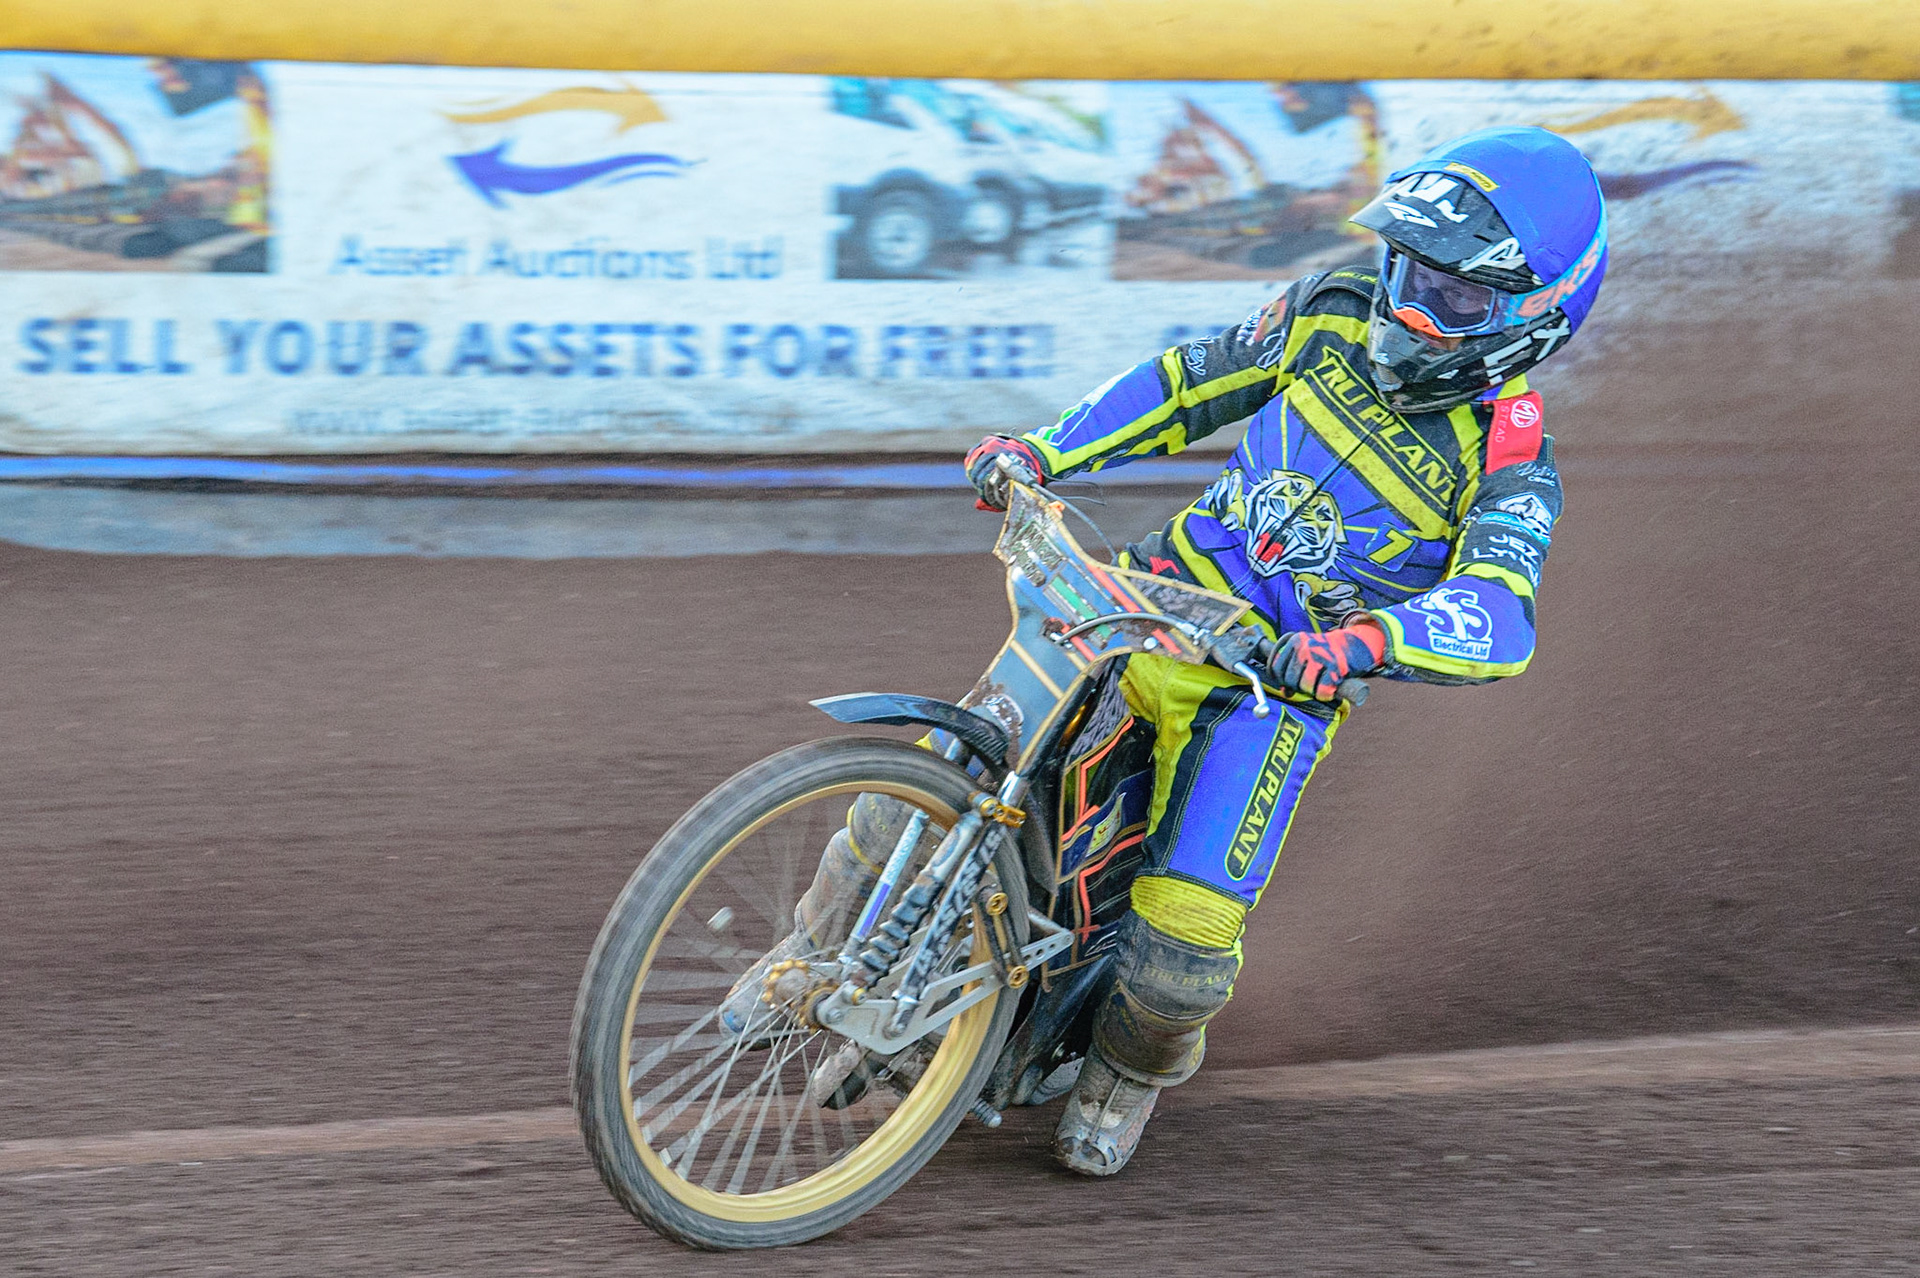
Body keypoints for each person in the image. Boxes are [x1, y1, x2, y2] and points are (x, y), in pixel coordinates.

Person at [963, 126, 1607, 1175]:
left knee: (1180, 950)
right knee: (963, 761)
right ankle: (814, 942)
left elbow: (1499, 614)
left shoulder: (1511, 458)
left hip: (1266, 690)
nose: (1407, 303)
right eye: (1406, 265)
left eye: (1449, 296)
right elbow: (1190, 380)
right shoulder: (1334, 308)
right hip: (1141, 601)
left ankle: (1124, 1074)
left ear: (1535, 317)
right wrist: (1042, 450)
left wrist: (1364, 643)